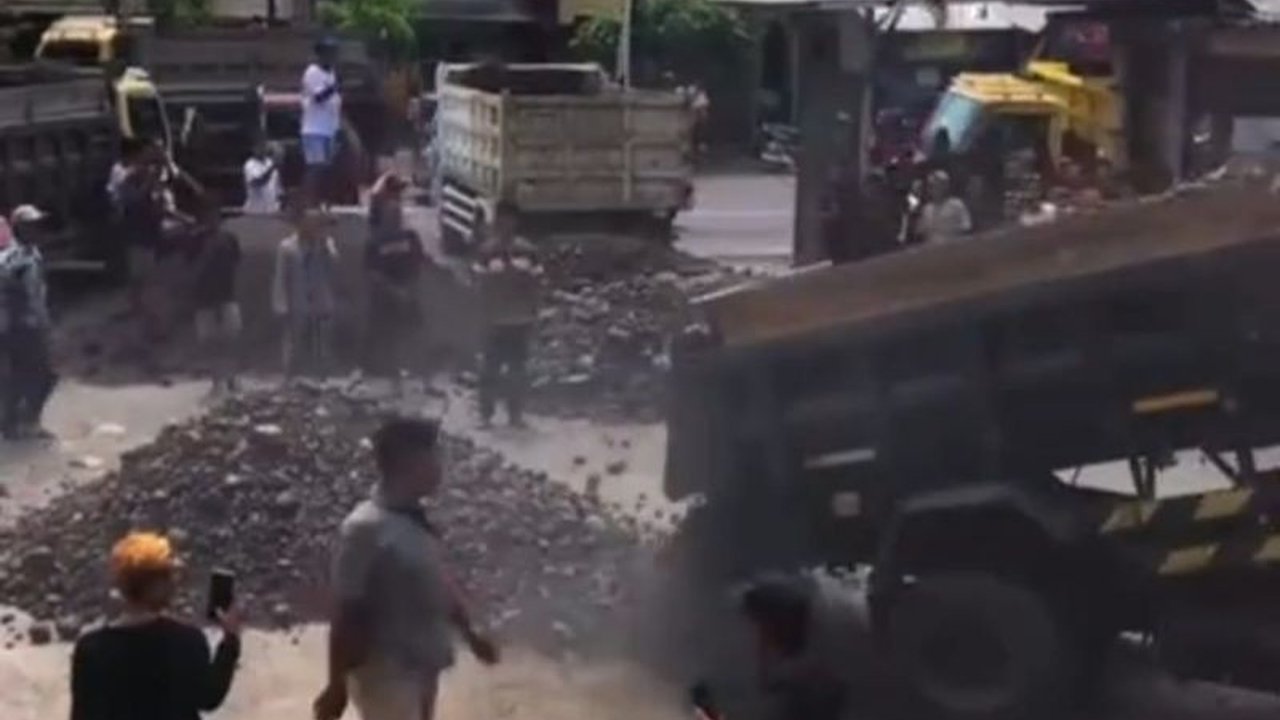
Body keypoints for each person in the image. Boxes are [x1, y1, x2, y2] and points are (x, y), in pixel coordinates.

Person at [314, 417, 499, 720]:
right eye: (434, 457)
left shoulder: (413, 520)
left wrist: (470, 634)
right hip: (386, 673)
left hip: (423, 667)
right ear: (407, 461)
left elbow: (438, 581)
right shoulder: (365, 529)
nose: (440, 467)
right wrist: (336, 686)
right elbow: (346, 614)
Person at [70, 531, 242, 720]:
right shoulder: (185, 640)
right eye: (170, 577)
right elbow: (208, 699)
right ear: (158, 584)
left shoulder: (91, 648)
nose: (174, 585)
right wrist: (230, 641)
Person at [737, 575, 848, 720]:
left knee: (792, 651)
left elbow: (764, 640)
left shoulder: (760, 605)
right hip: (797, 607)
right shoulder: (764, 598)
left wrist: (764, 677)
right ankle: (819, 682)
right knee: (793, 651)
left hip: (793, 610)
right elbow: (767, 639)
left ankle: (819, 683)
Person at [471, 200, 542, 428]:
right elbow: (479, 285)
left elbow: (537, 284)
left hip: (520, 319)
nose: (505, 224)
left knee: (517, 369)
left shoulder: (528, 251)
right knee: (490, 368)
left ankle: (516, 414)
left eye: (510, 219)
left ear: (516, 222)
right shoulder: (486, 251)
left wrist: (534, 311)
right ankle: (485, 415)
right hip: (494, 320)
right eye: (501, 219)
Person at [366, 173, 428, 392]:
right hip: (388, 298)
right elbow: (373, 273)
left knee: (416, 336)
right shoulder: (376, 241)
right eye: (391, 210)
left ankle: (422, 379)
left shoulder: (410, 236)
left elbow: (420, 262)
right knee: (390, 339)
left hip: (409, 293)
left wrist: (411, 288)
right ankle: (396, 382)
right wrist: (395, 291)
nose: (397, 210)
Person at [0, 209, 55, 440]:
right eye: (31, 225)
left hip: (28, 322)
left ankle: (18, 422)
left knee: (29, 376)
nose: (37, 229)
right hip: (21, 325)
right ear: (20, 228)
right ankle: (18, 422)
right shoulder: (14, 260)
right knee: (36, 376)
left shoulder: (31, 254)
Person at [272, 203, 340, 378]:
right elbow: (281, 277)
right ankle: (290, 378)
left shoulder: (325, 244)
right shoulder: (287, 246)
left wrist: (323, 243)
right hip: (297, 302)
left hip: (321, 300)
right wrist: (281, 304)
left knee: (322, 347)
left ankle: (320, 379)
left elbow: (334, 265)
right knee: (294, 345)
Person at [190, 196, 243, 394]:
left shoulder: (229, 239)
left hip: (226, 295)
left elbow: (236, 262)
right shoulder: (196, 240)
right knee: (212, 343)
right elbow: (191, 268)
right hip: (204, 298)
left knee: (230, 340)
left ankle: (232, 378)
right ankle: (217, 380)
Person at [301, 37, 343, 208]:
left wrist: (337, 127)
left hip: (329, 129)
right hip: (314, 129)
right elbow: (319, 97)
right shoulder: (312, 72)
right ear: (321, 54)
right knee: (315, 168)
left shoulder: (331, 73)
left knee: (328, 170)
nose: (333, 57)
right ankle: (310, 203)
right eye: (330, 53)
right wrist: (335, 87)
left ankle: (325, 204)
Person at [916, 169, 972, 245]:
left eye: (937, 185)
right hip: (932, 252)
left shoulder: (956, 204)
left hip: (954, 249)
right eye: (931, 186)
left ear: (945, 186)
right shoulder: (926, 209)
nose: (933, 189)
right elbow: (920, 232)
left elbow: (966, 227)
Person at [243, 139, 281, 215]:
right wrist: (273, 167)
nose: (261, 150)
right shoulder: (250, 164)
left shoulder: (270, 163)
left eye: (263, 147)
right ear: (253, 149)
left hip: (272, 211)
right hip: (255, 211)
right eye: (258, 147)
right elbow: (258, 182)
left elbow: (278, 190)